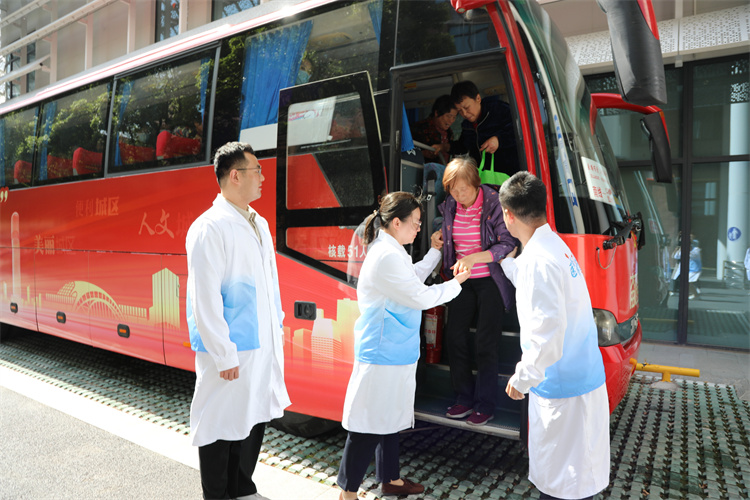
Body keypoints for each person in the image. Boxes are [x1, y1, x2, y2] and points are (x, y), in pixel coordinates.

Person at [338, 192, 470, 500]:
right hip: (382, 353)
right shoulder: (386, 256)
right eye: (416, 222)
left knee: (388, 419)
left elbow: (411, 278)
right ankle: (347, 492)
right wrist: (456, 284)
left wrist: (434, 253)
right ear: (396, 222)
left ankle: (391, 480)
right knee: (368, 423)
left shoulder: (392, 251)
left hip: (393, 351)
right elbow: (419, 296)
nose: (419, 228)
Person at [186, 142, 290, 500]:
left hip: (260, 342)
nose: (262, 177)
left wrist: (277, 324)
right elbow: (205, 298)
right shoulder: (209, 227)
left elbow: (269, 282)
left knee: (252, 414)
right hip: (230, 347)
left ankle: (242, 487)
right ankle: (217, 494)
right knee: (219, 423)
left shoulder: (258, 222)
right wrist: (223, 353)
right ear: (235, 176)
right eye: (256, 170)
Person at [500, 171, 610, 500]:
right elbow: (544, 291)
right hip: (582, 379)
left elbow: (547, 333)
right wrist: (510, 266)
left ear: (508, 214)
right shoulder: (554, 246)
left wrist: (522, 378)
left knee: (564, 485)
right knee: (576, 479)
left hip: (563, 388)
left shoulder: (538, 261)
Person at [433, 156, 518, 426]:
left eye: (464, 190)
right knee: (455, 337)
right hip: (462, 280)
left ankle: (485, 404)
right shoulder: (451, 205)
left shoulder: (494, 203)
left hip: (490, 280)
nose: (459, 196)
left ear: (476, 183)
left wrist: (474, 258)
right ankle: (463, 398)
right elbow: (448, 230)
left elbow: (507, 243)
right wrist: (439, 236)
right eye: (453, 190)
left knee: (485, 342)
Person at [451, 80, 518, 176]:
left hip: (510, 174)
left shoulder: (499, 109)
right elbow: (463, 146)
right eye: (460, 111)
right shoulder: (467, 125)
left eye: (466, 107)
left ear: (478, 98)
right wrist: (446, 147)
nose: (464, 114)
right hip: (484, 177)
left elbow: (520, 131)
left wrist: (498, 140)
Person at [412, 95, 458, 165]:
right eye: (449, 116)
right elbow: (405, 152)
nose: (451, 121)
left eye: (454, 117)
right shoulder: (419, 128)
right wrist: (423, 154)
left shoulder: (449, 133)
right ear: (437, 113)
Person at [671, 233, 702, 299]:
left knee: (688, 283)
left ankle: (695, 294)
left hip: (695, 270)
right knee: (687, 283)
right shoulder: (684, 250)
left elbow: (692, 255)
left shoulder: (696, 250)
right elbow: (675, 256)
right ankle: (696, 294)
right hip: (689, 270)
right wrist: (677, 249)